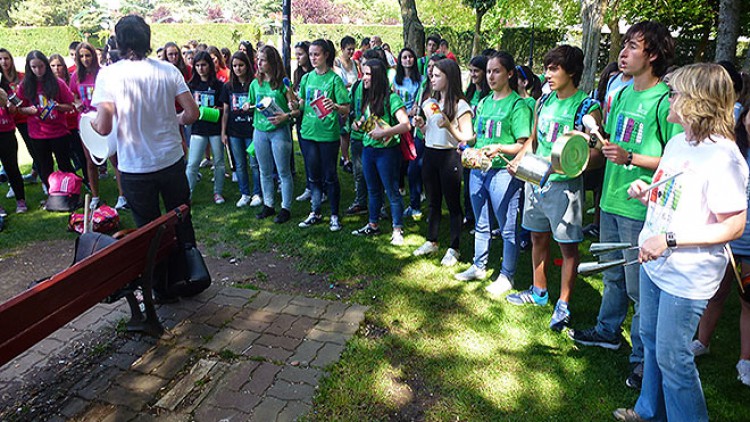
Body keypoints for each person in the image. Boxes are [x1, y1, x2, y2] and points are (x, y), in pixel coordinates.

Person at [613, 63, 749, 422]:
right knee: (653, 342)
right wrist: (648, 196)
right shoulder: (678, 142)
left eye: (675, 93)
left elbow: (733, 226)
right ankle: (648, 411)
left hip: (687, 275)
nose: (668, 98)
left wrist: (669, 240)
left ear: (697, 101)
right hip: (655, 262)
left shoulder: (724, 157)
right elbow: (678, 198)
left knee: (674, 358)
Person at [568, 21, 680, 390]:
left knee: (639, 289)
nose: (623, 52)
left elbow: (676, 161)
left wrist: (631, 156)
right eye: (624, 45)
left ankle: (643, 360)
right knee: (612, 274)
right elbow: (610, 145)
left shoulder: (666, 101)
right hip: (611, 199)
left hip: (641, 206)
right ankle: (607, 331)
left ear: (653, 55)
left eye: (633, 46)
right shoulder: (622, 93)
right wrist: (584, 147)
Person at [90, 14, 199, 301]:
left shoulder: (109, 75)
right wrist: (171, 118)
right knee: (182, 220)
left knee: (149, 230)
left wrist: (88, 123)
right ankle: (190, 275)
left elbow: (102, 126)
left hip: (135, 167)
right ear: (148, 40)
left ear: (120, 42)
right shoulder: (168, 70)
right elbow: (192, 114)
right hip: (171, 159)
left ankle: (162, 287)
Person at [505, 45, 601, 331]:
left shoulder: (587, 107)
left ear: (571, 71)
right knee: (537, 238)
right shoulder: (542, 102)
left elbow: (595, 155)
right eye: (546, 68)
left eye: (553, 68)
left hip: (565, 188)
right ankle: (538, 292)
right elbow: (533, 140)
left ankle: (564, 304)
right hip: (535, 182)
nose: (546, 74)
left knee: (568, 247)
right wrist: (518, 162)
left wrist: (565, 166)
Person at [455, 52, 531, 295]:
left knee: (507, 226)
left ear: (510, 74)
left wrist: (499, 148)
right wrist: (467, 145)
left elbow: (523, 143)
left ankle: (507, 275)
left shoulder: (517, 105)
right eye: (488, 71)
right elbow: (479, 135)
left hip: (503, 173)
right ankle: (479, 265)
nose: (490, 76)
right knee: (481, 222)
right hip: (478, 170)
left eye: (496, 71)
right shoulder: (485, 102)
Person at [689, 103, 750, 388]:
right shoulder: (732, 151)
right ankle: (702, 341)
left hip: (746, 241)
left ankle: (745, 359)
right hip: (724, 239)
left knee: (747, 299)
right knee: (716, 293)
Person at [412, 59, 474, 266]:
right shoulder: (431, 103)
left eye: (438, 75)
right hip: (430, 154)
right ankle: (432, 240)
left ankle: (454, 247)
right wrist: (421, 126)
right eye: (432, 75)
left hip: (449, 157)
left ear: (450, 78)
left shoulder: (460, 105)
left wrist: (449, 126)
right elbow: (429, 133)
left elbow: (467, 137)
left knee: (453, 204)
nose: (433, 79)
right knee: (433, 201)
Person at [350, 58, 411, 244]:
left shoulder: (391, 98)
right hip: (369, 149)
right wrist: (358, 124)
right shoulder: (369, 98)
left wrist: (385, 132)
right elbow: (364, 120)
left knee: (391, 190)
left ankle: (397, 229)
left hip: (387, 153)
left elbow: (406, 125)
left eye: (368, 74)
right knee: (372, 189)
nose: (364, 78)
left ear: (377, 76)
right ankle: (372, 224)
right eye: (363, 73)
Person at [296, 39, 350, 231]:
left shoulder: (334, 80)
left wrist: (335, 106)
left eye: (316, 54)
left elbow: (346, 108)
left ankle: (334, 215)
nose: (312, 58)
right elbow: (302, 102)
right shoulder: (307, 78)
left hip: (327, 135)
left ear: (326, 55)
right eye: (310, 54)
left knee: (330, 175)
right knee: (313, 176)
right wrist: (295, 104)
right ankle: (315, 211)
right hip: (308, 133)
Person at [71, 42, 128, 210]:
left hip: (105, 119)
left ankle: (122, 196)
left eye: (87, 55)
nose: (85, 59)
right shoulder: (76, 76)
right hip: (85, 121)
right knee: (90, 162)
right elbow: (72, 95)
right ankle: (95, 196)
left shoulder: (103, 74)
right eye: (81, 56)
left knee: (114, 159)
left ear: (94, 56)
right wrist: (77, 103)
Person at [247, 45, 295, 224]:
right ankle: (268, 204)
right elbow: (252, 103)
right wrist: (247, 106)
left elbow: (296, 108)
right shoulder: (255, 83)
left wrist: (289, 112)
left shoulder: (283, 82)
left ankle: (286, 207)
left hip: (279, 132)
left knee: (283, 171)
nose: (259, 63)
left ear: (272, 62)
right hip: (259, 131)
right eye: (257, 59)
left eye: (263, 60)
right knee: (264, 170)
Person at [15, 50, 76, 189]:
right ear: (29, 68)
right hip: (37, 133)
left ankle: (71, 191)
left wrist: (58, 106)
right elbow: (18, 108)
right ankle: (51, 192)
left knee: (65, 164)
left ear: (46, 65)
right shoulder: (25, 85)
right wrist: (27, 110)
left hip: (58, 132)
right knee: (45, 165)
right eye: (34, 67)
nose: (38, 70)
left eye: (41, 66)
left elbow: (70, 105)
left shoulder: (58, 83)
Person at [220, 51, 261, 208]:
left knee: (254, 163)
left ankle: (257, 193)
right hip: (234, 131)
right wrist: (223, 132)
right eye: (235, 66)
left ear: (247, 66)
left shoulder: (255, 84)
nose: (238, 69)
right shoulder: (228, 87)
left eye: (241, 65)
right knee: (239, 164)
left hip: (252, 130)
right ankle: (245, 193)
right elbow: (226, 111)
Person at [184, 50, 225, 204]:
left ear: (210, 66)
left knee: (219, 162)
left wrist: (217, 110)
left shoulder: (219, 85)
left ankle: (218, 192)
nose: (201, 68)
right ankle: (187, 195)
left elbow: (224, 108)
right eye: (198, 65)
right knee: (193, 163)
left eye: (204, 65)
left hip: (215, 128)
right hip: (198, 129)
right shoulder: (192, 85)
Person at [392, 47, 423, 220]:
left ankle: (415, 198)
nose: (407, 60)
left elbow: (420, 101)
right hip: (397, 123)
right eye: (404, 57)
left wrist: (414, 110)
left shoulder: (420, 80)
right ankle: (400, 187)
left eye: (410, 57)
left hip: (413, 125)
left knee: (413, 162)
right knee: (399, 161)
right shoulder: (395, 80)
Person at [1, 48, 39, 186]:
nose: (3, 62)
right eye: (0, 59)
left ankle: (41, 177)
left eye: (6, 58)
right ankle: (13, 183)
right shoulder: (0, 82)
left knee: (34, 149)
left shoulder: (21, 77)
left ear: (11, 59)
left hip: (24, 117)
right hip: (6, 122)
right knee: (9, 155)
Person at [463, 55, 491, 229]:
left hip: (483, 144)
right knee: (468, 185)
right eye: (471, 71)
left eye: (477, 71)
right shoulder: (469, 93)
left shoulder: (488, 96)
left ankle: (486, 219)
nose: (473, 74)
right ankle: (470, 216)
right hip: (468, 143)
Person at [0, 74, 26, 214]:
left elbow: (18, 104)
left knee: (12, 168)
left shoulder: (6, 88)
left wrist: (10, 105)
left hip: (6, 133)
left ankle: (20, 200)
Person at [334, 36, 360, 174]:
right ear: (342, 49)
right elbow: (337, 82)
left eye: (353, 49)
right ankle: (345, 158)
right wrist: (348, 84)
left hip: (354, 99)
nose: (351, 52)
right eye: (349, 49)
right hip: (342, 99)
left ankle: (346, 156)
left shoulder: (355, 63)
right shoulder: (337, 63)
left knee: (351, 129)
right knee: (344, 131)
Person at [293, 41, 314, 202]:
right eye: (296, 54)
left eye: (300, 54)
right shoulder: (297, 73)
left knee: (316, 156)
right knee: (306, 154)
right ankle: (310, 186)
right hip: (301, 117)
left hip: (314, 118)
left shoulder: (315, 74)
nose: (297, 57)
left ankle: (320, 187)